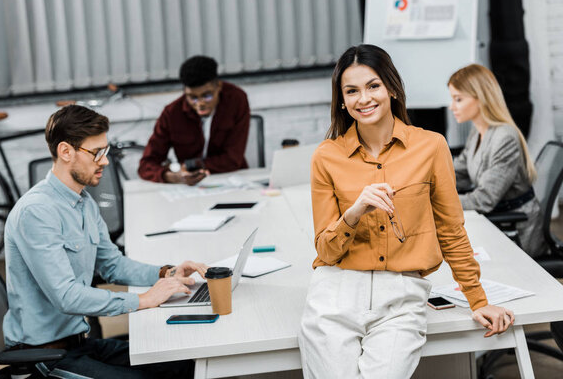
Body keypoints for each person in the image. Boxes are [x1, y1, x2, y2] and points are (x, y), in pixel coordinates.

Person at [298, 44, 514, 378]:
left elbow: (451, 230)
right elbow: (326, 249)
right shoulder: (326, 156)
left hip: (401, 294)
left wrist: (478, 299)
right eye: (351, 91)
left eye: (373, 86)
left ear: (393, 89)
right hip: (336, 292)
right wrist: (354, 212)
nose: (363, 98)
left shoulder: (430, 146)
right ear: (342, 100)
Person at [3, 105, 207, 378]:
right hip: (43, 356)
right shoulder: (36, 213)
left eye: (105, 151)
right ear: (66, 152)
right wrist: (143, 299)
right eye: (96, 152)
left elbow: (112, 264)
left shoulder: (84, 202)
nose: (105, 161)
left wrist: (166, 273)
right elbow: (66, 296)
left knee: (182, 363)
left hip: (79, 344)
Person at [448, 64, 546, 257]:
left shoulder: (505, 138)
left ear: (481, 98)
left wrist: (436, 202)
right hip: (498, 223)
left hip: (517, 232)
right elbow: (459, 171)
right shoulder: (478, 132)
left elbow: (484, 200)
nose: (452, 106)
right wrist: (422, 182)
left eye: (458, 99)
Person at [138, 55, 250, 185]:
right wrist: (171, 177)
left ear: (218, 87)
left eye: (207, 96)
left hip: (232, 179)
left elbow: (232, 159)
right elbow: (146, 165)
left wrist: (193, 165)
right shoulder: (172, 114)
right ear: (185, 93)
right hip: (190, 186)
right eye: (193, 97)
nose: (200, 104)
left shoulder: (236, 100)